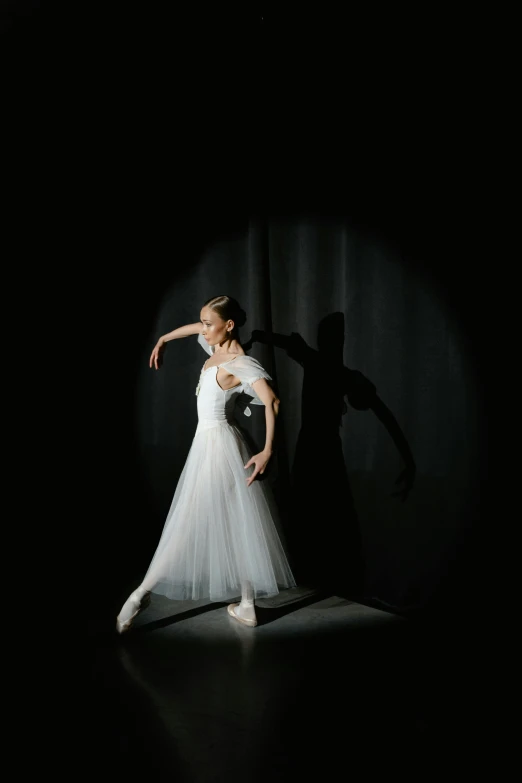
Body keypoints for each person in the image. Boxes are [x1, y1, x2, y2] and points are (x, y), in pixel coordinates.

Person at [116, 295, 296, 632]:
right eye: (203, 323)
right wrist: (164, 338)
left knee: (184, 523)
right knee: (235, 523)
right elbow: (192, 331)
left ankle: (139, 594)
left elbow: (272, 401)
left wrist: (268, 450)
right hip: (214, 446)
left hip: (219, 448)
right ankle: (246, 604)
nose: (203, 330)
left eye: (209, 324)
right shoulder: (214, 348)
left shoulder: (238, 363)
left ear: (228, 326)